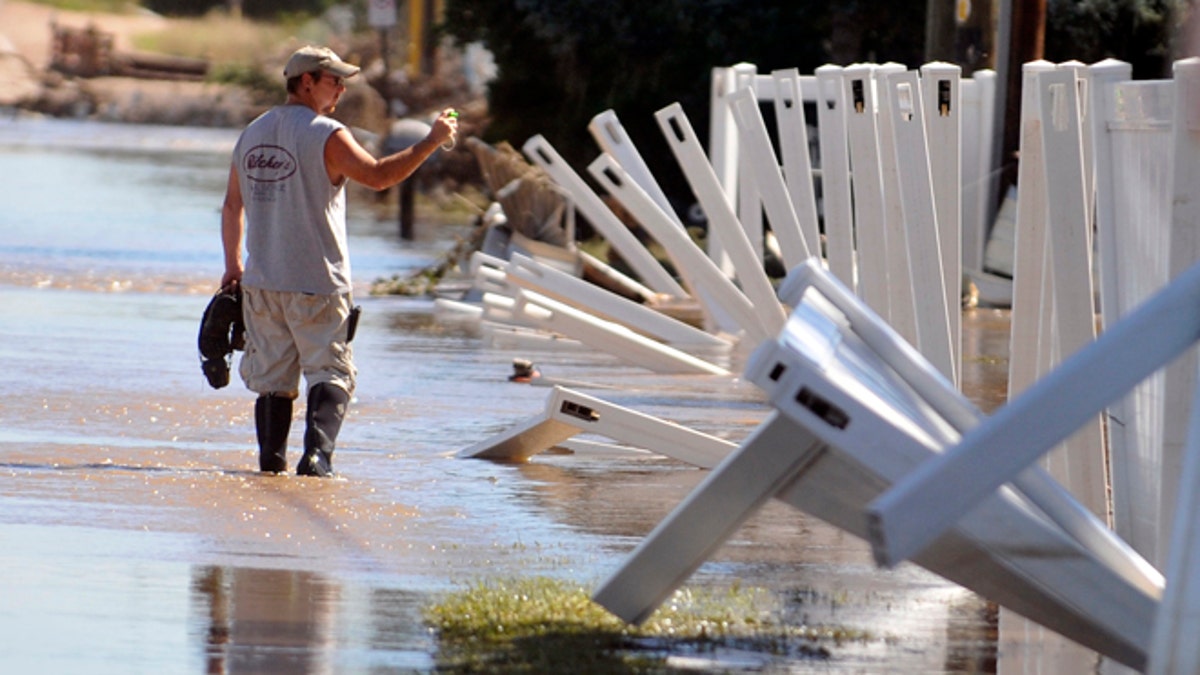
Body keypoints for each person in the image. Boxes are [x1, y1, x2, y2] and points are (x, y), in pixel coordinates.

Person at [219, 45, 458, 477]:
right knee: (329, 371)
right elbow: (380, 176)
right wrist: (432, 141)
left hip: (262, 282)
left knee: (272, 382)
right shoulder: (326, 132)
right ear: (306, 82)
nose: (342, 89)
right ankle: (317, 460)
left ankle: (270, 466)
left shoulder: (252, 132)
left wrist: (233, 267)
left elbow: (232, 206)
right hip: (317, 282)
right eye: (334, 81)